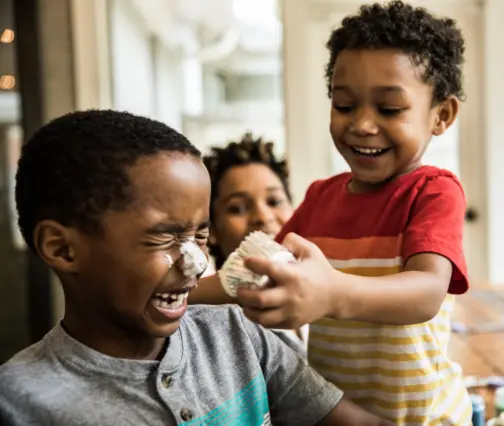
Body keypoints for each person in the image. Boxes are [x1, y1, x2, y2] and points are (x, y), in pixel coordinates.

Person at [0, 109, 392, 426]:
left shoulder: (240, 335)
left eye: (200, 235)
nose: (196, 262)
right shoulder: (20, 402)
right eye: (164, 237)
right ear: (62, 248)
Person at [198, 1, 472, 424]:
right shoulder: (320, 198)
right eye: (344, 105)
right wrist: (176, 295)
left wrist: (331, 293)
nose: (362, 124)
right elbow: (249, 271)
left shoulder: (433, 192)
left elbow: (426, 294)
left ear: (442, 114)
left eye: (389, 109)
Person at [190, 132, 307, 349]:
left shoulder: (315, 306)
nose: (262, 217)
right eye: (237, 208)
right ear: (211, 229)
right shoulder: (208, 325)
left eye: (274, 201)